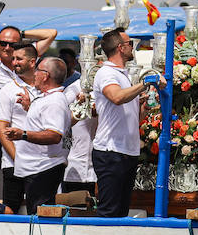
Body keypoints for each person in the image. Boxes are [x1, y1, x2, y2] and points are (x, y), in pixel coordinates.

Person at [0, 25, 56, 199]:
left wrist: (22, 34)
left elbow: (51, 33)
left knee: (20, 175)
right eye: (3, 43)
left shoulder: (26, 59)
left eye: (13, 44)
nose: (7, 48)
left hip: (21, 126)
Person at [90, 27, 155, 218]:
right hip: (111, 151)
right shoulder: (106, 73)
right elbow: (117, 97)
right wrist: (144, 83)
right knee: (109, 210)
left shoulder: (122, 75)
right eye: (130, 44)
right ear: (120, 48)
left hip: (126, 150)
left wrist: (141, 108)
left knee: (120, 210)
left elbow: (132, 120)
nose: (133, 48)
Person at [4, 57, 72, 214]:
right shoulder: (49, 98)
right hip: (41, 168)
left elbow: (55, 136)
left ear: (46, 75)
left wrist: (23, 135)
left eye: (38, 70)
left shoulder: (54, 101)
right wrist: (31, 107)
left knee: (39, 217)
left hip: (43, 169)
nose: (34, 74)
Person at [0, 43, 40, 214]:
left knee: (39, 212)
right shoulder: (8, 90)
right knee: (10, 210)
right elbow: (1, 129)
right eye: (12, 58)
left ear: (33, 62)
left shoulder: (44, 87)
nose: (14, 62)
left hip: (40, 163)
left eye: (19, 59)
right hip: (14, 163)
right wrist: (17, 159)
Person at [61, 77, 97, 195]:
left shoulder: (108, 87)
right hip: (74, 165)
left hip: (99, 165)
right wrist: (80, 106)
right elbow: (63, 125)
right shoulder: (73, 90)